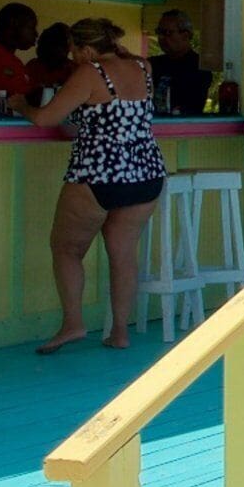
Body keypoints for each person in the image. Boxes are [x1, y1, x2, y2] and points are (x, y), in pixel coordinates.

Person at [28, 19, 166, 353]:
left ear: (88, 48)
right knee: (122, 253)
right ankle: (120, 332)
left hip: (99, 174)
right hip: (145, 174)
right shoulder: (142, 66)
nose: (73, 57)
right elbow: (108, 118)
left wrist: (21, 106)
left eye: (75, 50)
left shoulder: (91, 72)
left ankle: (73, 324)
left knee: (67, 249)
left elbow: (46, 118)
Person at [148, 8, 214, 117]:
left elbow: (192, 105)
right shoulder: (153, 64)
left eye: (167, 33)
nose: (161, 38)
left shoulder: (199, 67)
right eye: (159, 32)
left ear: (185, 35)